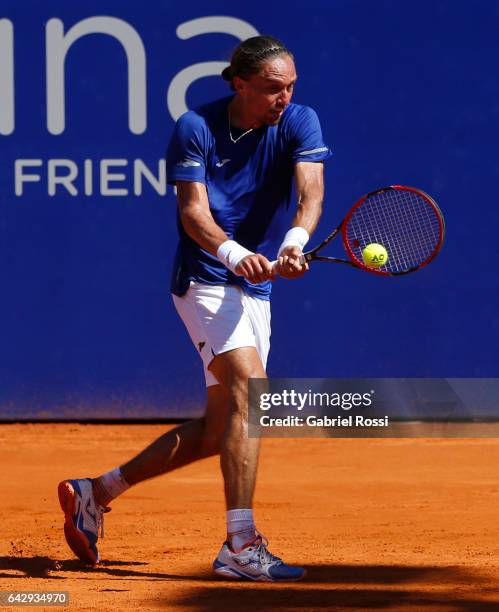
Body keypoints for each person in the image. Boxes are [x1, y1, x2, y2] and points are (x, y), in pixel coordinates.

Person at [58, 35, 330, 582]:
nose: (285, 97)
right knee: (251, 397)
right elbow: (193, 213)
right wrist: (234, 254)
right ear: (240, 84)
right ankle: (240, 544)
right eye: (274, 88)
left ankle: (97, 492)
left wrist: (293, 242)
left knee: (218, 429)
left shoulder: (300, 121)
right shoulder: (196, 127)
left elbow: (310, 195)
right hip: (205, 279)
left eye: (291, 86)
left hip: (258, 289)